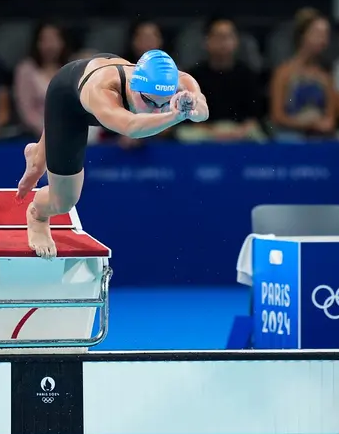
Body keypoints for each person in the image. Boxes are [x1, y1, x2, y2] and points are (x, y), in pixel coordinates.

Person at [16, 49, 209, 258]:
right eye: (150, 102)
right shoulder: (104, 89)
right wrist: (176, 115)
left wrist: (191, 106)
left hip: (98, 76)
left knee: (46, 163)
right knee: (63, 201)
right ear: (134, 85)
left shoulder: (178, 81)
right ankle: (37, 214)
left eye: (164, 103)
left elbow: (203, 112)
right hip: (69, 102)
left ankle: (38, 154)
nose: (155, 111)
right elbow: (132, 127)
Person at [269, 9, 336, 142]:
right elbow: (277, 116)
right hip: (289, 134)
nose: (323, 40)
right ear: (302, 35)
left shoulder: (326, 76)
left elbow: (330, 118)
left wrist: (324, 124)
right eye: (317, 34)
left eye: (326, 35)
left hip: (319, 136)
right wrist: (307, 124)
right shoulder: (283, 73)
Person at [14, 21, 71, 136]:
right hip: (37, 135)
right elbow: (26, 111)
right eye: (44, 40)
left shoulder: (71, 69)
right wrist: (50, 131)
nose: (49, 45)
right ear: (37, 43)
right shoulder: (26, 70)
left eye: (54, 39)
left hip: (70, 132)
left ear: (62, 42)